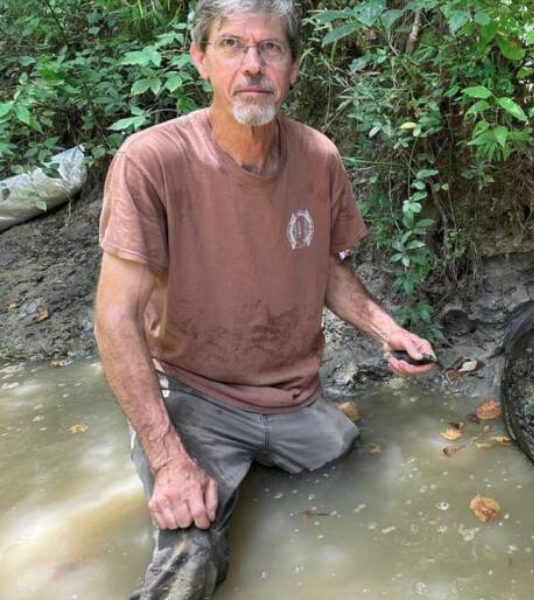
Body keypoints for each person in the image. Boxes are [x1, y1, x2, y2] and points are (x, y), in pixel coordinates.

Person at [93, 1, 435, 597]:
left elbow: (327, 268)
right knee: (191, 552)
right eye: (232, 45)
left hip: (293, 400)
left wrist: (388, 331)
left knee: (353, 460)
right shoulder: (151, 161)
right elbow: (115, 316)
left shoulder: (318, 158)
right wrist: (170, 460)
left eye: (270, 48)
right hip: (196, 394)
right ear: (200, 58)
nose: (252, 64)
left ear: (294, 66)